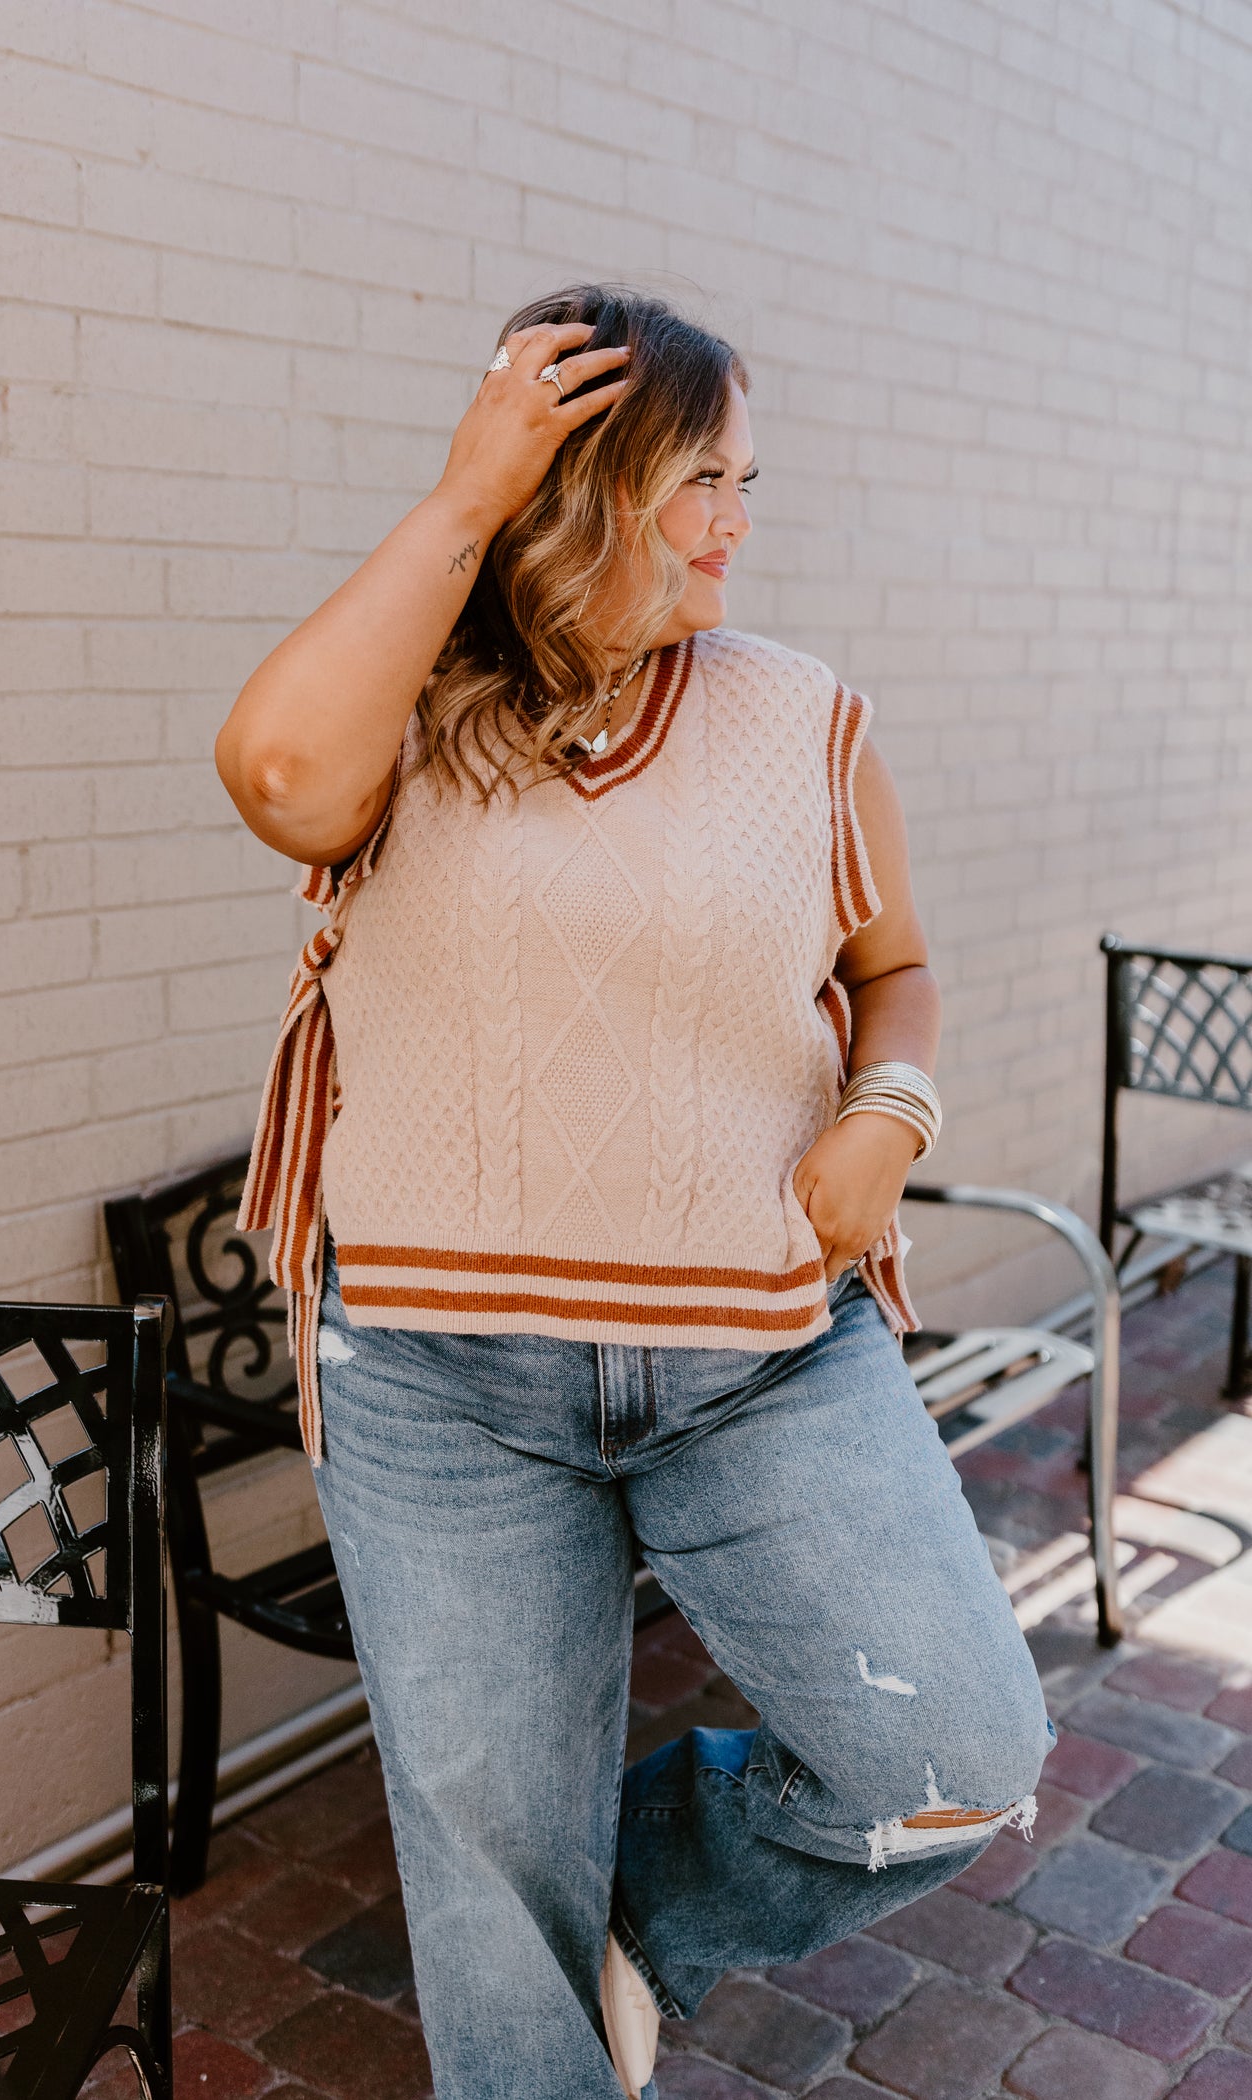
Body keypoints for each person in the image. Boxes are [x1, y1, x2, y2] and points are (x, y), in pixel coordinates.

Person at [216, 284, 1053, 2100]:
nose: (738, 521)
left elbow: (896, 969)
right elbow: (277, 777)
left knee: (960, 1750)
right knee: (482, 1891)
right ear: (573, 483)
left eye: (749, 480)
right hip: (443, 1387)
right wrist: (459, 500)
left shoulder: (800, 719)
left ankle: (630, 1911)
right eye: (698, 479)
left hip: (757, 1356)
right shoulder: (410, 706)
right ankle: (537, 1957)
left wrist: (888, 1112)